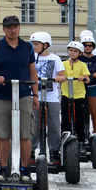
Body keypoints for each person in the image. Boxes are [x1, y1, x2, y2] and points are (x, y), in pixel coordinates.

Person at [0, 15, 39, 183]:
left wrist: (35, 95)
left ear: (19, 28)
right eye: (9, 27)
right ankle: (3, 168)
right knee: (3, 134)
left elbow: (32, 72)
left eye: (15, 27)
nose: (12, 30)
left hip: (23, 94)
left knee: (24, 135)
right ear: (4, 29)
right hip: (2, 96)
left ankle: (25, 169)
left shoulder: (27, 47)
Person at [30, 31, 65, 163]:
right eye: (33, 44)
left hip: (51, 97)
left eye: (37, 44)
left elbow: (63, 76)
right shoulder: (31, 57)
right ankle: (31, 151)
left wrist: (58, 78)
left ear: (45, 45)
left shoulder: (55, 59)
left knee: (54, 125)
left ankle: (54, 152)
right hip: (34, 96)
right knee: (33, 124)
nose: (34, 46)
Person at [62, 40, 93, 142]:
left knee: (79, 119)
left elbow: (87, 79)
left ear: (80, 53)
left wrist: (83, 78)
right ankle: (64, 138)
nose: (72, 53)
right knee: (65, 118)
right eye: (71, 50)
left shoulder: (82, 65)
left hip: (79, 95)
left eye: (75, 51)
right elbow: (59, 74)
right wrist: (60, 77)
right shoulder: (64, 64)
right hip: (66, 94)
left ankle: (81, 140)